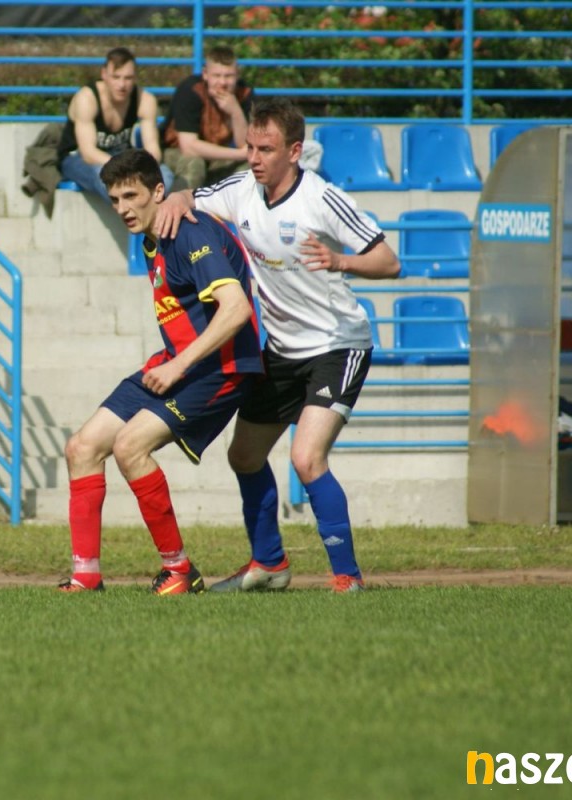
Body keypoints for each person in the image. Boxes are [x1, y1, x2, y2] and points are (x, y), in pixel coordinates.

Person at [154, 98, 400, 593]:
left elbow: (388, 261)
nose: (254, 158)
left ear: (294, 151)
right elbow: (192, 197)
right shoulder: (242, 189)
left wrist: (340, 261)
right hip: (283, 352)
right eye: (249, 147)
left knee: (306, 459)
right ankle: (269, 565)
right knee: (244, 456)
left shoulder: (322, 199)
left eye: (265, 149)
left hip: (337, 346)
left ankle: (347, 578)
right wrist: (178, 198)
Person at [58, 148, 264, 595]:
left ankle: (179, 570)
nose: (122, 208)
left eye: (131, 196)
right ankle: (85, 576)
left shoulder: (189, 233)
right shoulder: (153, 237)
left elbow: (236, 309)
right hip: (178, 363)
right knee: (81, 447)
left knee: (130, 446)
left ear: (157, 191)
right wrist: (173, 363)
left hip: (220, 368)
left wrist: (178, 365)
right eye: (115, 199)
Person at [55, 47, 174, 205]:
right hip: (78, 159)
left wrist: (141, 168)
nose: (122, 85)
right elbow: (88, 153)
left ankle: (143, 218)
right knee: (105, 176)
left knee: (164, 175)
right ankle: (139, 217)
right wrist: (126, 169)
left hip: (121, 156)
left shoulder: (145, 100)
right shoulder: (87, 98)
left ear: (135, 77)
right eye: (116, 77)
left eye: (128, 78)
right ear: (104, 74)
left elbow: (153, 150)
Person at [161, 45, 253, 191]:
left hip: (216, 156)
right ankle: (178, 204)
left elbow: (245, 144)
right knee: (195, 165)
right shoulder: (191, 90)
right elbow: (188, 147)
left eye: (228, 76)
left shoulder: (244, 93)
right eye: (217, 76)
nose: (222, 83)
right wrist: (238, 154)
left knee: (248, 168)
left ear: (237, 74)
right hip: (175, 152)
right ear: (205, 74)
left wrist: (236, 112)